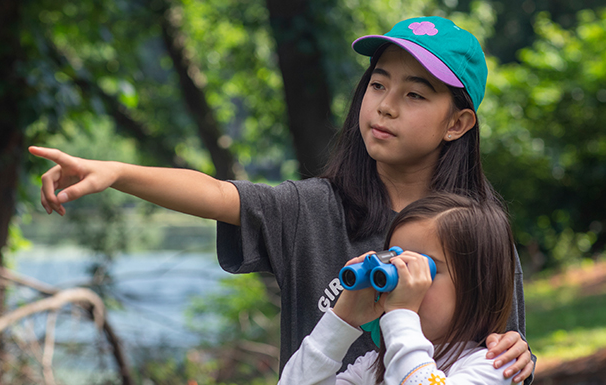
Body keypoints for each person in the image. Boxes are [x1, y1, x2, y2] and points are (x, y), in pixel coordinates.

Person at [29, 15, 534, 383]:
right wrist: (116, 171)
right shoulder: (311, 209)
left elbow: (498, 356)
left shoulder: (480, 236)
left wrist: (519, 357)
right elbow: (216, 194)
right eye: (377, 84)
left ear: (457, 123)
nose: (385, 106)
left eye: (415, 95)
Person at [279, 193, 518, 385]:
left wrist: (402, 313)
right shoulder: (372, 368)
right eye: (394, 265)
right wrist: (342, 320)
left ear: (479, 286)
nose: (403, 282)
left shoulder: (496, 366)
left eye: (423, 269)